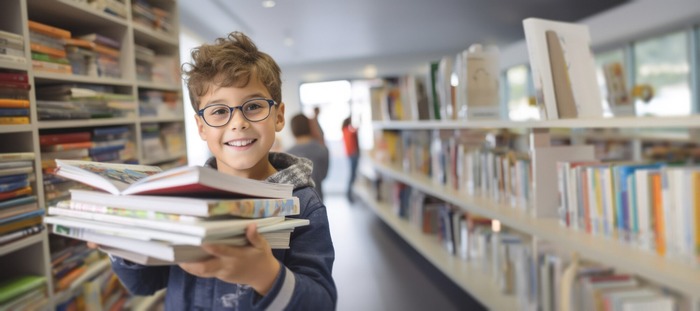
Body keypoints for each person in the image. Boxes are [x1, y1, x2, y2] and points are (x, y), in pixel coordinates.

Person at [104, 32, 337, 310]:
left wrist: (264, 273)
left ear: (278, 116)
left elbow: (321, 303)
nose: (238, 122)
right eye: (218, 111)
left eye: (253, 106)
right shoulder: (184, 199)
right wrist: (126, 247)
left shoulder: (304, 205)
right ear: (201, 127)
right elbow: (145, 284)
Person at [286, 113, 329, 201]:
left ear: (292, 129)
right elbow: (324, 175)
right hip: (318, 198)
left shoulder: (287, 153)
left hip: (295, 204)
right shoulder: (322, 149)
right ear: (309, 127)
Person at [341, 116, 359, 203]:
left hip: (351, 155)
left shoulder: (345, 130)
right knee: (352, 175)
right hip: (352, 155)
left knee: (353, 175)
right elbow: (354, 131)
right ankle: (348, 194)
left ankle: (350, 193)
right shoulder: (347, 131)